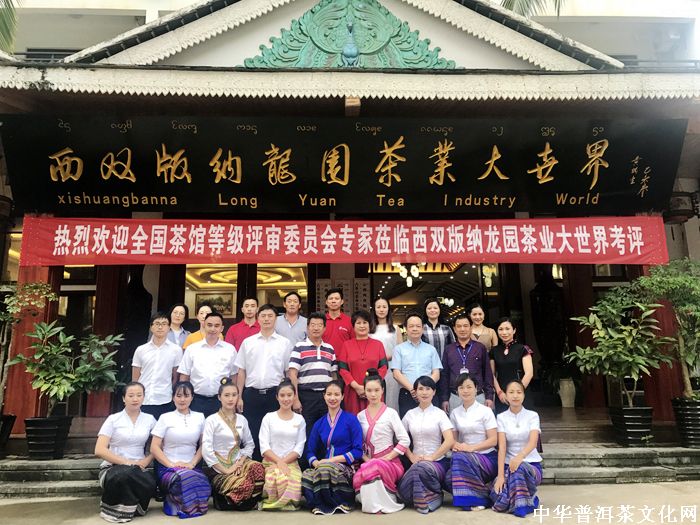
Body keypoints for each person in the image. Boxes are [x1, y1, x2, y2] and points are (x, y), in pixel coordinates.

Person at [235, 303, 293, 461]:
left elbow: (288, 372)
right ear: (258, 318)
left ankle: (273, 466)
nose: (266, 319)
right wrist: (239, 396)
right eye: (263, 316)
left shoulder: (284, 343)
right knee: (252, 433)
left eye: (270, 316)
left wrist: (289, 396)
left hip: (275, 395)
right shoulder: (248, 342)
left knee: (274, 432)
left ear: (276, 319)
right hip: (251, 395)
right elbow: (241, 371)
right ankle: (253, 467)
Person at [95, 382, 156, 523]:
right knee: (123, 475)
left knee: (150, 482)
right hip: (112, 468)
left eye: (139, 395)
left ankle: (136, 508)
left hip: (139, 468)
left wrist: (146, 461)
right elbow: (99, 449)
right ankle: (113, 511)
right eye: (131, 395)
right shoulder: (113, 419)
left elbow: (159, 446)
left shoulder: (150, 419)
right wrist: (127, 463)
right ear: (123, 398)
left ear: (144, 397)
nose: (135, 399)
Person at [202, 377, 265, 511]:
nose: (230, 399)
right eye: (226, 395)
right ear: (219, 397)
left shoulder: (242, 420)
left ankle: (232, 500)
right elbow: (206, 449)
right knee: (244, 485)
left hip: (238, 464)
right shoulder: (212, 420)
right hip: (218, 468)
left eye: (234, 395)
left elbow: (250, 444)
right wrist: (226, 470)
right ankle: (236, 501)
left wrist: (240, 462)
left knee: (258, 468)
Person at [150, 381, 210, 519]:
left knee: (200, 480)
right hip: (168, 468)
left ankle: (183, 504)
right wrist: (171, 464)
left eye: (186, 395)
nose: (182, 399)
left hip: (192, 467)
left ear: (192, 397)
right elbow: (154, 447)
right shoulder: (165, 418)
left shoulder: (200, 417)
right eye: (178, 396)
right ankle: (183, 505)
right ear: (173, 397)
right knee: (182, 478)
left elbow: (203, 444)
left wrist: (192, 464)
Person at [301, 380, 363, 515]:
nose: (332, 398)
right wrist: (316, 463)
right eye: (329, 394)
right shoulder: (319, 423)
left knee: (325, 470)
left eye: (336, 394)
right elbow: (310, 451)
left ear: (342, 396)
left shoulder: (351, 420)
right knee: (306, 476)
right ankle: (322, 503)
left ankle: (337, 503)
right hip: (324, 466)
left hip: (346, 467)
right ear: (324, 396)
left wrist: (332, 461)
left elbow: (358, 451)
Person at [353, 369, 409, 514]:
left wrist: (388, 457)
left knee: (375, 466)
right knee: (366, 471)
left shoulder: (391, 413)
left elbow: (405, 440)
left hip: (391, 463)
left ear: (382, 390)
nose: (373, 394)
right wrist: (367, 460)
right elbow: (357, 445)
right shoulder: (359, 416)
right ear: (364, 392)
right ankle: (373, 502)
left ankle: (385, 500)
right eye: (369, 390)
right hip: (368, 462)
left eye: (376, 390)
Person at [398, 376, 455, 514]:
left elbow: (449, 440)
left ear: (434, 392)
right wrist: (411, 456)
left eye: (428, 389)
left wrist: (432, 457)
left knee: (421, 468)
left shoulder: (440, 414)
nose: (424, 392)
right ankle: (433, 495)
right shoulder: (410, 415)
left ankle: (425, 501)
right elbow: (400, 438)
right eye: (421, 389)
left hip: (438, 462)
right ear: (415, 392)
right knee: (404, 490)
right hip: (416, 461)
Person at [490, 380, 543, 518]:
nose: (515, 396)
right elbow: (502, 448)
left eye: (519, 392)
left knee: (518, 469)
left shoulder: (533, 415)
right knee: (497, 494)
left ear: (524, 395)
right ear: (506, 395)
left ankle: (521, 507)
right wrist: (500, 476)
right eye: (511, 392)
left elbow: (533, 442)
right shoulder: (501, 417)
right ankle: (530, 499)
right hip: (508, 466)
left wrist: (519, 458)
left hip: (531, 465)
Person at [448, 373, 498, 511]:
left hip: (487, 457)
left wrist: (471, 448)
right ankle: (483, 494)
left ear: (476, 389)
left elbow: (493, 440)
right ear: (457, 391)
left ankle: (477, 500)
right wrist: (457, 446)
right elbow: (452, 440)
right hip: (465, 456)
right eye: (461, 387)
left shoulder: (486, 411)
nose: (465, 390)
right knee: (447, 478)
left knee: (459, 459)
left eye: (469, 387)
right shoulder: (455, 413)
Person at [288, 311, 337, 441]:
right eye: (313, 325)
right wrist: (295, 399)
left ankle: (325, 455)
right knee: (307, 432)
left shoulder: (329, 348)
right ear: (307, 327)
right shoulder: (299, 347)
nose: (316, 328)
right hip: (306, 396)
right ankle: (308, 455)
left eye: (319, 325)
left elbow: (333, 375)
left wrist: (334, 395)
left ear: (324, 328)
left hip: (326, 397)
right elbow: (293, 374)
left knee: (327, 431)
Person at [178, 312, 238, 417]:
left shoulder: (230, 349)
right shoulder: (192, 349)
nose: (213, 329)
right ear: (204, 326)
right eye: (209, 325)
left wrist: (232, 399)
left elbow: (234, 376)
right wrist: (183, 399)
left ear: (222, 328)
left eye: (217, 326)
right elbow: (184, 376)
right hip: (196, 401)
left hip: (221, 401)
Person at [259, 379, 307, 510]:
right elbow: (264, 445)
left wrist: (282, 463)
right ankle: (272, 503)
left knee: (291, 483)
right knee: (275, 478)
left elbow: (299, 447)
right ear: (277, 397)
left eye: (289, 395)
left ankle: (287, 504)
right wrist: (278, 462)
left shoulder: (300, 419)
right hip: (270, 462)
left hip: (291, 463)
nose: (286, 399)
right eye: (282, 395)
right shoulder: (269, 417)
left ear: (294, 396)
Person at [132, 312, 183, 420]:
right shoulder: (141, 350)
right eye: (157, 324)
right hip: (143, 400)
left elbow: (175, 377)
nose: (160, 327)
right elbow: (135, 378)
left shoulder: (176, 350)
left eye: (164, 324)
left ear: (169, 327)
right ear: (151, 327)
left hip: (165, 399)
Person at [440, 313, 494, 413]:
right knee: (455, 423)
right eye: (459, 326)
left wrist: (489, 396)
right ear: (454, 329)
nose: (462, 329)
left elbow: (487, 373)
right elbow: (444, 375)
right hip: (455, 397)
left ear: (471, 327)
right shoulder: (449, 349)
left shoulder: (480, 348)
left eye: (465, 326)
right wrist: (445, 398)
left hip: (478, 396)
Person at [336, 310, 388, 415]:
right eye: (358, 323)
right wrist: (356, 387)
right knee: (353, 419)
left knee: (376, 419)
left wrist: (370, 387)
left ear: (370, 325)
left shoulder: (378, 344)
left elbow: (383, 367)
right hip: (353, 391)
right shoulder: (346, 345)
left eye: (365, 322)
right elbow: (342, 369)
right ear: (353, 326)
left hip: (374, 392)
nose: (362, 326)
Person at [391, 311, 442, 418]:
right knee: (407, 425)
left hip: (429, 395)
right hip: (407, 394)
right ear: (406, 328)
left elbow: (436, 374)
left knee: (432, 424)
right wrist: (413, 389)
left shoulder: (431, 349)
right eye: (411, 326)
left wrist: (425, 389)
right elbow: (396, 373)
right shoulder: (399, 349)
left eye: (418, 326)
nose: (415, 329)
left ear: (422, 329)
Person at [490, 317, 534, 413]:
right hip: (502, 395)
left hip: (521, 392)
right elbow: (491, 374)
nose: (504, 332)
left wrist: (517, 392)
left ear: (514, 330)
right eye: (501, 329)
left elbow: (529, 373)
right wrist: (499, 392)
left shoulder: (523, 349)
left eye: (507, 329)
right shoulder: (494, 351)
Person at [369, 297, 402, 412]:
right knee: (375, 395)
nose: (381, 310)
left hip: (391, 367)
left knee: (392, 397)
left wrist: (387, 357)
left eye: (384, 307)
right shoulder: (369, 329)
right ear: (374, 309)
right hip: (374, 367)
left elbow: (400, 350)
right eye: (378, 307)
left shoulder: (395, 329)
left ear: (389, 309)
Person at [323, 288, 352, 358]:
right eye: (331, 298)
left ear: (342, 302)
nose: (333, 301)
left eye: (336, 298)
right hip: (324, 360)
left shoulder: (350, 321)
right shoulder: (320, 321)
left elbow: (354, 343)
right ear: (326, 302)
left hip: (344, 360)